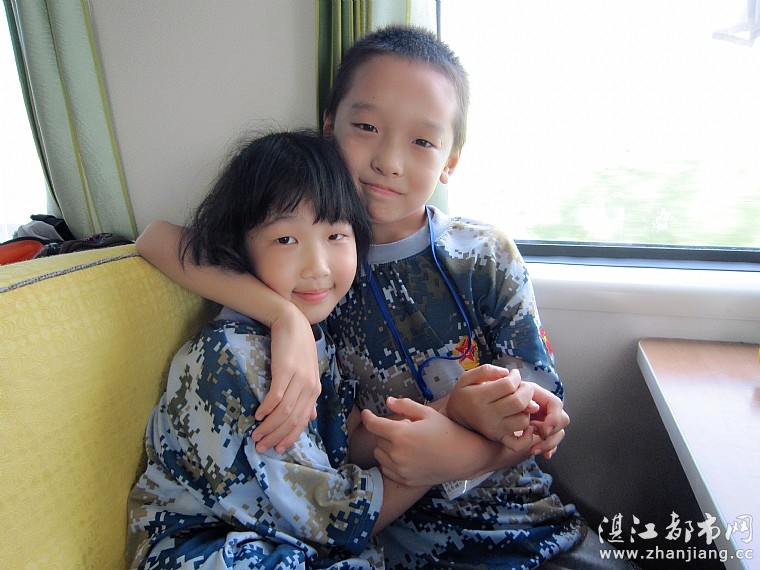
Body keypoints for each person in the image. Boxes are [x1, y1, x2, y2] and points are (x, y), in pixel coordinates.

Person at [137, 26, 635, 569]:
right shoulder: (313, 286)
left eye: (422, 142)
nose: (389, 161)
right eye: (367, 127)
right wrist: (284, 318)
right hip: (398, 540)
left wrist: (457, 451)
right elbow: (157, 240)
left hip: (525, 519)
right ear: (330, 127)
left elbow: (537, 420)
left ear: (451, 159)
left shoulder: (482, 257)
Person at [128, 130, 451, 569]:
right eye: (285, 240)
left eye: (336, 235)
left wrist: (452, 415)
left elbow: (345, 443)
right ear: (239, 247)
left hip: (283, 541)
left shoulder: (318, 333)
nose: (317, 267)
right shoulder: (230, 358)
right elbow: (331, 523)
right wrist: (439, 462)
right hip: (208, 551)